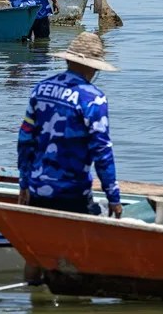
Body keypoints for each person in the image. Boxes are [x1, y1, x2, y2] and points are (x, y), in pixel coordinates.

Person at [18, 31, 121, 216]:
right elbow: (102, 151)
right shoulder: (93, 99)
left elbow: (25, 140)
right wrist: (113, 197)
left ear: (67, 60)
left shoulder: (41, 88)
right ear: (93, 68)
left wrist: (24, 184)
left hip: (37, 189)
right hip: (72, 194)